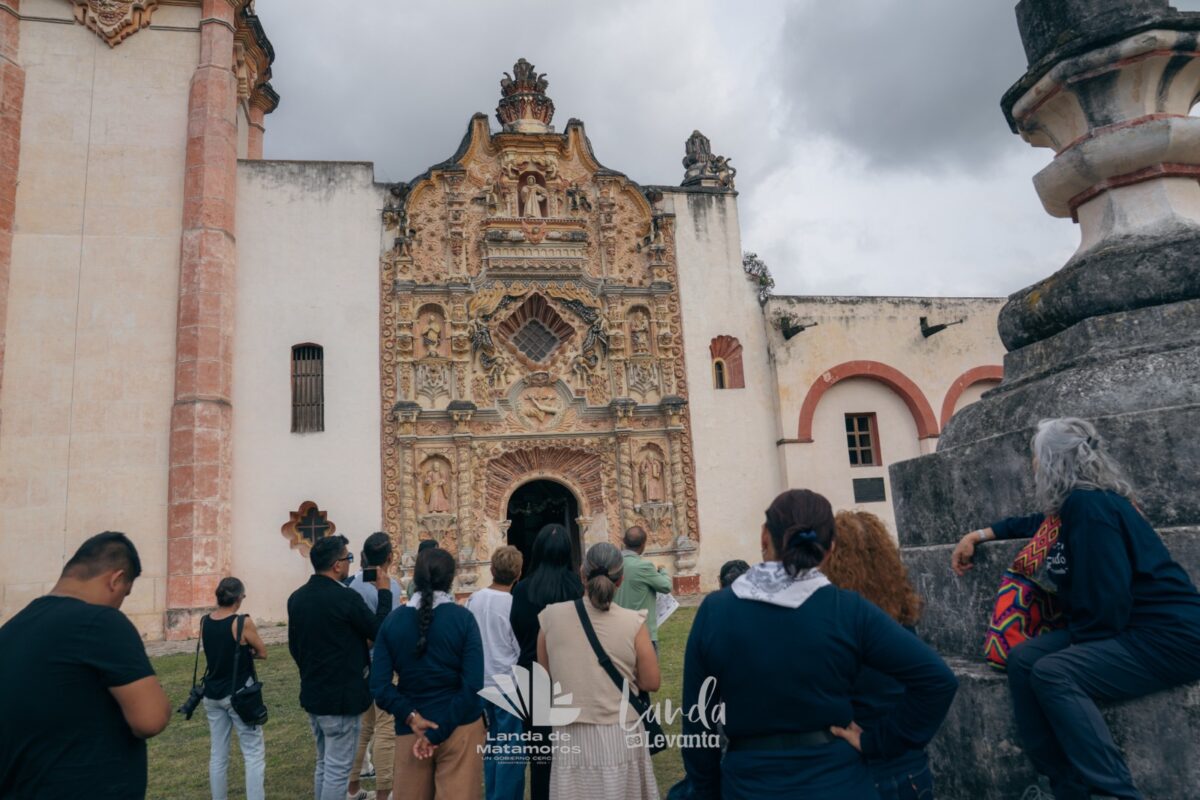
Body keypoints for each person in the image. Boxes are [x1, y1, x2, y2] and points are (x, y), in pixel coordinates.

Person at [950, 417, 1200, 800]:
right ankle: (1065, 785)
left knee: (1052, 672)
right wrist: (981, 534)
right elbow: (1037, 523)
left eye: (1035, 457)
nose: (1032, 466)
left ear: (1052, 462)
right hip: (1130, 628)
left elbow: (1108, 599)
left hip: (1168, 637)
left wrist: (1077, 649)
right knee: (1023, 659)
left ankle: (1112, 792)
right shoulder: (1078, 506)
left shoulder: (1091, 506)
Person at [681, 489, 958, 800]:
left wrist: (705, 791)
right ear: (829, 549)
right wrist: (879, 742)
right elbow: (937, 679)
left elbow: (697, 721)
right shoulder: (848, 609)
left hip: (751, 782)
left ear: (763, 537)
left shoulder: (716, 612)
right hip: (835, 780)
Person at [0, 531, 170, 798]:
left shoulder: (11, 630)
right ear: (115, 580)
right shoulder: (100, 621)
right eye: (124, 594)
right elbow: (151, 719)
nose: (119, 606)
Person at [538, 542, 662, 800]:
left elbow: (546, 675)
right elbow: (651, 681)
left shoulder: (550, 617)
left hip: (571, 729)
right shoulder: (634, 622)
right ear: (621, 580)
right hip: (621, 729)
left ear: (582, 574)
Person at [824, 511, 932, 800]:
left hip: (862, 767)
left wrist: (873, 742)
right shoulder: (899, 614)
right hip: (907, 764)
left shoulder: (840, 624)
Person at [371, 547, 485, 800]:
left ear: (416, 577)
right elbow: (473, 684)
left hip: (413, 729)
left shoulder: (393, 622)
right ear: (451, 579)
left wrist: (411, 717)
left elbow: (380, 686)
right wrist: (439, 731)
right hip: (459, 726)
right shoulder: (463, 619)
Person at [288, 534, 393, 800]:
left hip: (315, 691)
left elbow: (295, 646)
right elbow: (379, 630)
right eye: (347, 558)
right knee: (338, 768)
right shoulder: (345, 598)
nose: (349, 563)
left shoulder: (297, 598)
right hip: (342, 697)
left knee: (325, 762)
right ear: (337, 565)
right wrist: (384, 593)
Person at [509, 524, 584, 800]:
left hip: (532, 679)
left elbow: (517, 628)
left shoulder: (522, 590)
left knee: (540, 760)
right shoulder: (577, 587)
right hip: (571, 677)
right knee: (573, 755)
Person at [348, 533, 406, 800]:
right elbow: (390, 628)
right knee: (386, 728)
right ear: (390, 557)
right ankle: (385, 791)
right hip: (384, 663)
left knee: (363, 728)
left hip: (359, 663)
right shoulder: (390, 587)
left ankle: (352, 787)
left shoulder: (353, 586)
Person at [466, 545, 525, 800]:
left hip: (482, 680)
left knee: (492, 743)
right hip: (507, 681)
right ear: (518, 574)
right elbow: (518, 645)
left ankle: (493, 793)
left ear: (491, 569)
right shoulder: (513, 604)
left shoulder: (475, 599)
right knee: (511, 748)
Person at [202, 577, 268, 800]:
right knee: (253, 753)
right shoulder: (242, 622)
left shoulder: (205, 621)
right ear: (239, 598)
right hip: (239, 694)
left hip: (212, 693)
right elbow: (262, 652)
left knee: (218, 754)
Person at [613, 526, 673, 653]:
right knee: (648, 672)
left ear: (624, 541)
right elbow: (666, 586)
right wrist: (663, 571)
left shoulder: (613, 563)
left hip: (618, 632)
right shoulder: (643, 566)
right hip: (642, 632)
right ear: (643, 545)